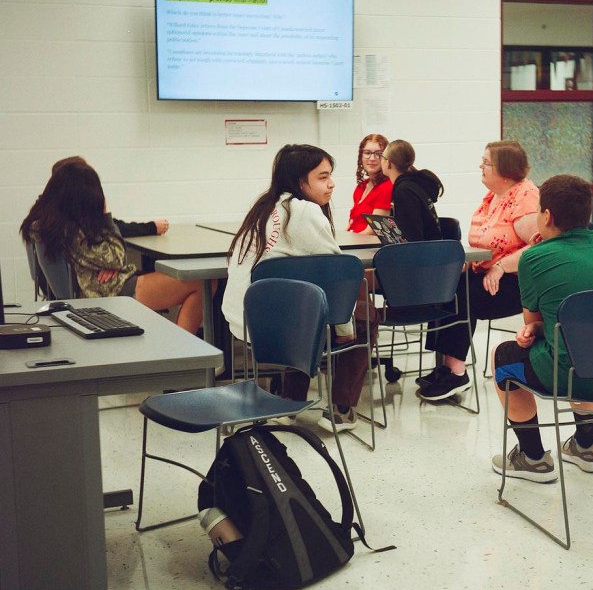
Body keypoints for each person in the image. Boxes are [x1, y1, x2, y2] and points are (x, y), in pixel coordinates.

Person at [491, 174, 593, 483]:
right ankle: (586, 446)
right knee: (590, 344)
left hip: (578, 374)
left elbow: (530, 324)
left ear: (546, 216)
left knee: (504, 358)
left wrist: (533, 328)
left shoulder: (533, 258)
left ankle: (533, 457)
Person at [222, 144, 378, 434]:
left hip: (248, 324)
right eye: (322, 177)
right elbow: (340, 276)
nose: (331, 183)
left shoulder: (265, 207)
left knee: (303, 307)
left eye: (330, 175)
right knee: (366, 315)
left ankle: (288, 402)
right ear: (299, 182)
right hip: (280, 326)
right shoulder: (304, 211)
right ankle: (341, 411)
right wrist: (345, 332)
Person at [19, 157, 206, 334]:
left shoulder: (48, 224)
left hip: (104, 288)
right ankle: (185, 352)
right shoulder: (72, 231)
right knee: (202, 283)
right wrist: (105, 216)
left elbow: (110, 260)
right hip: (108, 292)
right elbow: (117, 257)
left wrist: (112, 265)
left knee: (200, 281)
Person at [417, 140, 539, 401]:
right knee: (446, 287)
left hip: (517, 282)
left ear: (505, 169)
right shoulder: (493, 196)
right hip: (487, 273)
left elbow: (539, 247)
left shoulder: (525, 196)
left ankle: (457, 372)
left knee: (461, 295)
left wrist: (500, 267)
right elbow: (484, 243)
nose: (480, 166)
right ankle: (444, 365)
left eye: (486, 162)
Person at [380, 139, 444, 241]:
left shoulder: (404, 191)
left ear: (388, 163)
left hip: (424, 253)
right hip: (431, 250)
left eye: (382, 157)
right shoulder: (413, 184)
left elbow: (412, 237)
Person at [347, 133, 391, 234]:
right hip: (354, 240)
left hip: (368, 246)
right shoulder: (361, 186)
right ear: (361, 156)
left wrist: (347, 243)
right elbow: (352, 223)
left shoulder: (387, 187)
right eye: (367, 153)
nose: (372, 158)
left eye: (378, 154)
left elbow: (373, 230)